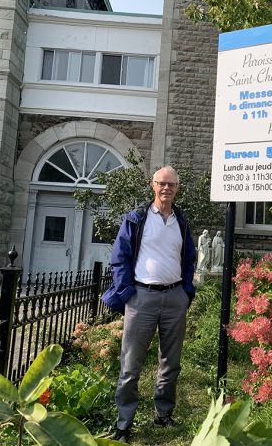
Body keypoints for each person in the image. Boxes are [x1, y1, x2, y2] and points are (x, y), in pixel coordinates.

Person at [102, 165, 196, 442]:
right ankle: (124, 424)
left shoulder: (182, 221)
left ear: (177, 189)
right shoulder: (136, 219)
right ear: (152, 186)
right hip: (141, 298)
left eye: (172, 185)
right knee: (131, 364)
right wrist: (127, 292)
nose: (166, 188)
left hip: (175, 297)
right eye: (161, 183)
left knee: (171, 361)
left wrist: (186, 292)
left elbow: (189, 258)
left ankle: (163, 413)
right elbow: (119, 258)